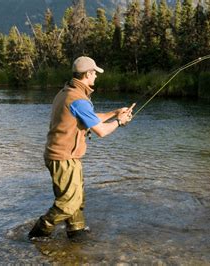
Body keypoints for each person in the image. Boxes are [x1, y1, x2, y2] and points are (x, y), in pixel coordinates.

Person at [28, 56, 134, 240]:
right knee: (69, 202)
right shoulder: (77, 99)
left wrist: (114, 113)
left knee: (77, 198)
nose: (96, 77)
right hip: (63, 157)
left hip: (65, 155)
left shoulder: (68, 91)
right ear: (87, 74)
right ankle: (38, 233)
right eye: (94, 73)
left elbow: (90, 117)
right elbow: (101, 131)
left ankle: (76, 232)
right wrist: (119, 121)